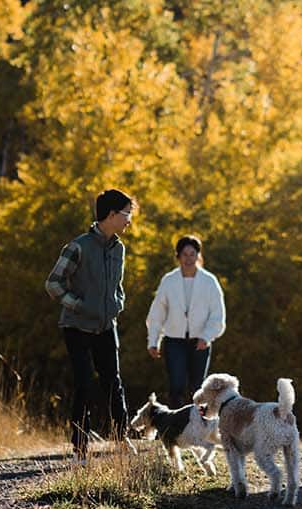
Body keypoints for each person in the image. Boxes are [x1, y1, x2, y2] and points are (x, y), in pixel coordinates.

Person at [45, 188, 135, 461]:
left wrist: (118, 303)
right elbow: (53, 284)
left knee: (113, 384)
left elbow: (117, 286)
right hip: (77, 327)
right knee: (84, 384)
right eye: (126, 214)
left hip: (107, 326)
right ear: (110, 214)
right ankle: (80, 448)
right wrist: (80, 305)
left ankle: (122, 441)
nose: (129, 220)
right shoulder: (78, 246)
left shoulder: (119, 247)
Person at [144, 235, 226, 410]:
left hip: (200, 342)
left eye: (192, 254)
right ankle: (176, 429)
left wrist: (206, 336)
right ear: (178, 256)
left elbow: (218, 315)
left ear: (198, 256)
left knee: (198, 389)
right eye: (184, 254)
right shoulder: (169, 280)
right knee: (176, 385)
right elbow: (157, 313)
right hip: (174, 341)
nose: (188, 258)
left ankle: (199, 430)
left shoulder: (209, 281)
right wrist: (153, 341)